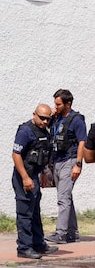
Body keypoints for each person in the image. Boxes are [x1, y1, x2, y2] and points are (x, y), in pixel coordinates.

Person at [12, 104, 58, 259]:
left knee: (35, 211)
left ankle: (38, 244)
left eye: (48, 119)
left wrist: (44, 174)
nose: (45, 121)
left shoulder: (43, 130)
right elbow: (16, 155)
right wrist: (25, 177)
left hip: (35, 175)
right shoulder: (26, 131)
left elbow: (44, 154)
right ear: (34, 115)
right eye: (42, 118)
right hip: (24, 175)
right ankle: (24, 248)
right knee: (25, 212)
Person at [46, 89, 87, 244]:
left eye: (58, 104)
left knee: (63, 199)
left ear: (67, 104)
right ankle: (72, 232)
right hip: (57, 160)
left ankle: (61, 233)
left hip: (69, 161)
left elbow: (82, 141)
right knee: (66, 197)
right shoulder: (57, 119)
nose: (55, 106)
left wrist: (78, 164)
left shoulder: (76, 120)